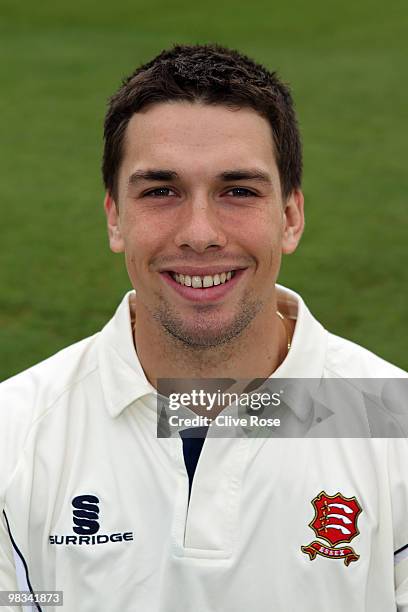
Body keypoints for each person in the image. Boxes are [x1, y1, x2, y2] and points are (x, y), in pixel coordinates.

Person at [0, 43, 407, 612]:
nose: (199, 233)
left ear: (289, 218)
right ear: (115, 216)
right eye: (161, 191)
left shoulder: (395, 423)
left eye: (238, 191)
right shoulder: (13, 436)